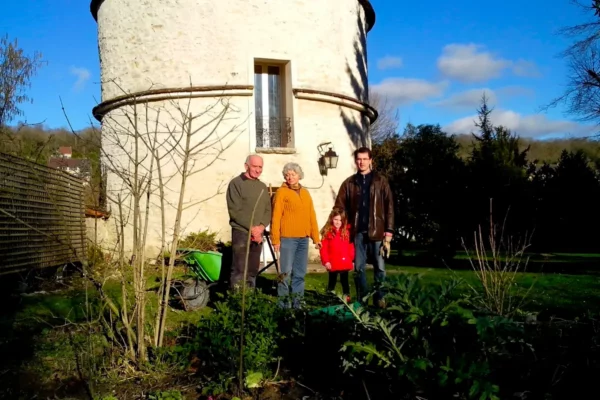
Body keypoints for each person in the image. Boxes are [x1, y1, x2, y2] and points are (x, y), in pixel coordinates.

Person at [334, 146, 394, 307]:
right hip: (357, 231)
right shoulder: (349, 183)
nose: (362, 162)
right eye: (359, 159)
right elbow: (339, 206)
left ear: (370, 160)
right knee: (359, 268)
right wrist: (340, 223)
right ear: (356, 161)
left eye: (365, 159)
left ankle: (380, 297)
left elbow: (389, 207)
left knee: (379, 267)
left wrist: (389, 232)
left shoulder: (381, 181)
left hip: (378, 231)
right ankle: (363, 298)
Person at [271, 162, 321, 308]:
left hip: (303, 239)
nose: (290, 177)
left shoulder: (305, 193)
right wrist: (275, 239)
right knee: (285, 273)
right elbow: (276, 217)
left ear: (299, 175)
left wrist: (316, 238)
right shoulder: (281, 192)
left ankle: (298, 303)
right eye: (287, 175)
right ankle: (283, 305)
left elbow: (312, 216)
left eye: (293, 174)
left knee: (300, 273)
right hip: (288, 239)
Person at [226, 154, 272, 289]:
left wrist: (261, 227)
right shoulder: (236, 184)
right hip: (241, 232)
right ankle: (237, 301)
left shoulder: (262, 187)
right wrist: (252, 228)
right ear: (246, 166)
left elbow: (268, 210)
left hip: (258, 234)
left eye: (260, 167)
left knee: (252, 270)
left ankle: (250, 299)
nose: (258, 170)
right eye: (255, 166)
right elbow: (234, 211)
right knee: (239, 269)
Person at [319, 208, 355, 303]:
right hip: (332, 262)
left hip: (344, 262)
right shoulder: (328, 233)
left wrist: (351, 258)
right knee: (332, 281)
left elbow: (350, 246)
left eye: (340, 220)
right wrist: (326, 261)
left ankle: (347, 299)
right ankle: (329, 298)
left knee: (345, 281)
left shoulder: (346, 232)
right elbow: (323, 249)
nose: (338, 222)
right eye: (336, 219)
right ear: (331, 219)